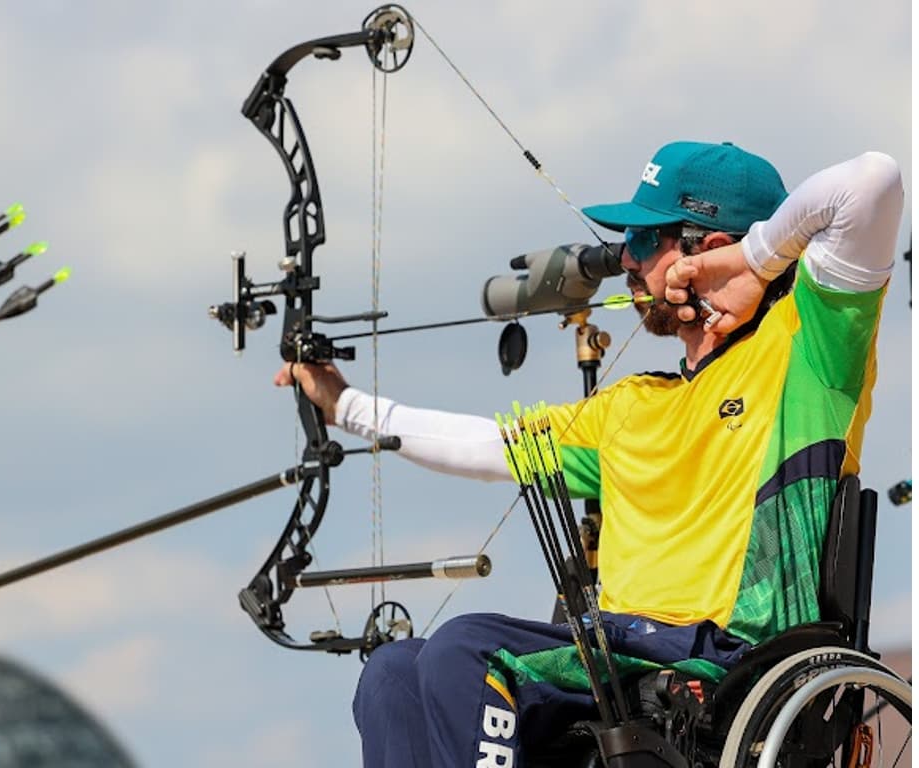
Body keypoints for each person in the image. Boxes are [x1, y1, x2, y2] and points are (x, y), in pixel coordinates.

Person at [274, 141, 904, 768]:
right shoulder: (632, 405)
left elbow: (871, 184)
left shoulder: (807, 353)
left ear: (708, 249)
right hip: (617, 660)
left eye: (644, 238)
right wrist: (345, 407)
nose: (625, 257)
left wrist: (754, 260)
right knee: (392, 673)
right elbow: (486, 445)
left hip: (726, 665)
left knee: (465, 648)